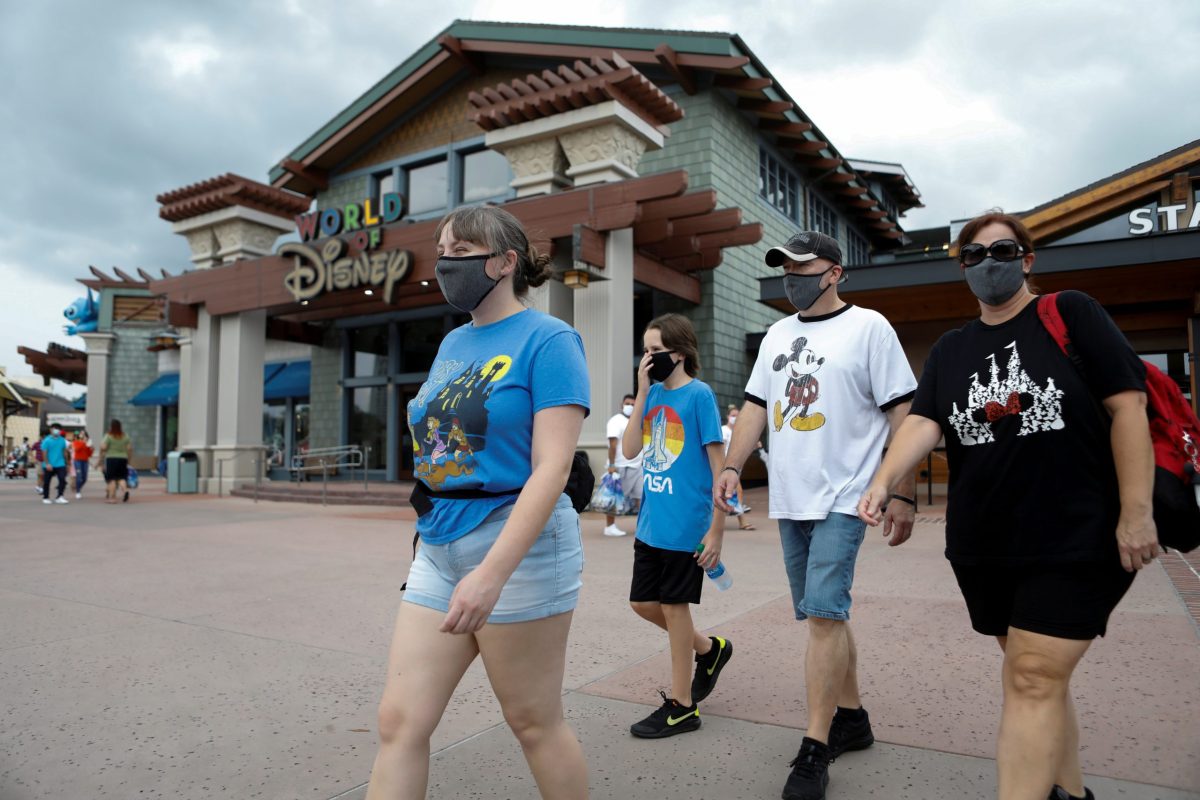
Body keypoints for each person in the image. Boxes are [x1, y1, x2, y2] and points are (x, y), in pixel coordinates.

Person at [857, 211, 1156, 800]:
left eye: (1002, 250)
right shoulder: (951, 347)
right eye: (974, 254)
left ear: (1026, 259)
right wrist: (886, 478)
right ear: (962, 266)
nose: (987, 263)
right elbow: (923, 421)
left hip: (1075, 533)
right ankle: (1069, 791)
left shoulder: (1071, 313)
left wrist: (1136, 511)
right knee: (1036, 675)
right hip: (986, 541)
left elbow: (1128, 408)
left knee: (1032, 674)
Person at [366, 206, 590, 800]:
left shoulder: (551, 340)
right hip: (439, 546)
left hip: (518, 546)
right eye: (441, 250)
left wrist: (492, 575)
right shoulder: (454, 341)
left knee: (533, 723)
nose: (445, 263)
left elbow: (554, 466)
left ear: (504, 261)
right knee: (400, 721)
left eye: (460, 250)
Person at [716, 231, 917, 800]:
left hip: (847, 496)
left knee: (824, 616)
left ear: (834, 272)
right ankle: (852, 717)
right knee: (822, 612)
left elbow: (904, 410)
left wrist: (900, 489)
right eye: (784, 267)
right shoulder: (778, 335)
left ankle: (814, 745)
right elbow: (756, 406)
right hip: (789, 495)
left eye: (803, 267)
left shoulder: (870, 327)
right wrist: (732, 467)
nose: (791, 276)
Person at [621, 313, 734, 738]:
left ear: (680, 352)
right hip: (651, 524)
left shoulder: (700, 396)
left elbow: (720, 469)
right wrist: (641, 391)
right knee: (642, 604)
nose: (648, 359)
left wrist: (717, 530)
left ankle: (682, 706)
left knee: (673, 608)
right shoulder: (650, 398)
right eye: (645, 351)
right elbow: (632, 450)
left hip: (687, 526)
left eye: (655, 351)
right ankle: (709, 649)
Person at [603, 392, 642, 537]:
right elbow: (612, 445)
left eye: (633, 404)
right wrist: (612, 465)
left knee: (641, 498)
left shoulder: (637, 420)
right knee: (615, 497)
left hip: (638, 465)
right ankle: (610, 526)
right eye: (628, 404)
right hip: (620, 466)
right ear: (621, 405)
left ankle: (642, 526)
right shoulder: (615, 421)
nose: (630, 407)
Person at [721, 405, 755, 530]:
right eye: (733, 415)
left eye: (737, 416)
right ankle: (742, 520)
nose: (735, 418)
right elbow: (722, 448)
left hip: (735, 468)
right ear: (727, 417)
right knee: (736, 490)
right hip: (726, 468)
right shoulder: (724, 430)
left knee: (729, 494)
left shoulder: (738, 432)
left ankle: (735, 513)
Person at [100, 419, 133, 504]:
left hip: (111, 459)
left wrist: (105, 448)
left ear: (111, 426)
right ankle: (125, 490)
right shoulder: (125, 436)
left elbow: (103, 447)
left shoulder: (109, 436)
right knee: (121, 477)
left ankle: (112, 498)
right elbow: (129, 448)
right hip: (123, 459)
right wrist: (129, 459)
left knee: (112, 479)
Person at [40, 425, 70, 504]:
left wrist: (67, 463)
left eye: (58, 429)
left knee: (62, 480)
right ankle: (46, 497)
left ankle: (60, 496)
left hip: (60, 464)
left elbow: (64, 451)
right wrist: (47, 463)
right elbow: (44, 453)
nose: (57, 430)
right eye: (55, 429)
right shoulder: (46, 440)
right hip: (49, 464)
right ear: (51, 430)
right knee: (47, 481)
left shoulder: (62, 440)